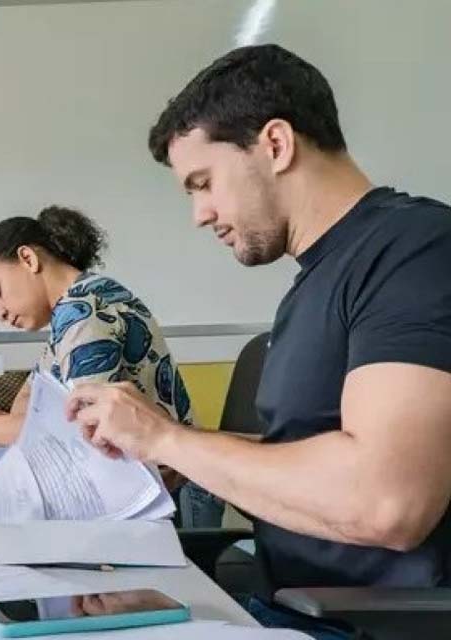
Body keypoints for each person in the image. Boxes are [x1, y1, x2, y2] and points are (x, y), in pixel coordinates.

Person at [67, 44, 451, 636]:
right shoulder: (315, 280)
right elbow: (303, 453)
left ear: (275, 144)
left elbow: (387, 503)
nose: (200, 214)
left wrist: (169, 438)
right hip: (278, 606)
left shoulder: (415, 251)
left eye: (203, 183)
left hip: (351, 624)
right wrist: (179, 454)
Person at [0, 206, 193, 461]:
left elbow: (84, 434)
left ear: (28, 259)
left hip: (165, 482)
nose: (0, 314)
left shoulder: (87, 310)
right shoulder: (71, 312)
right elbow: (26, 405)